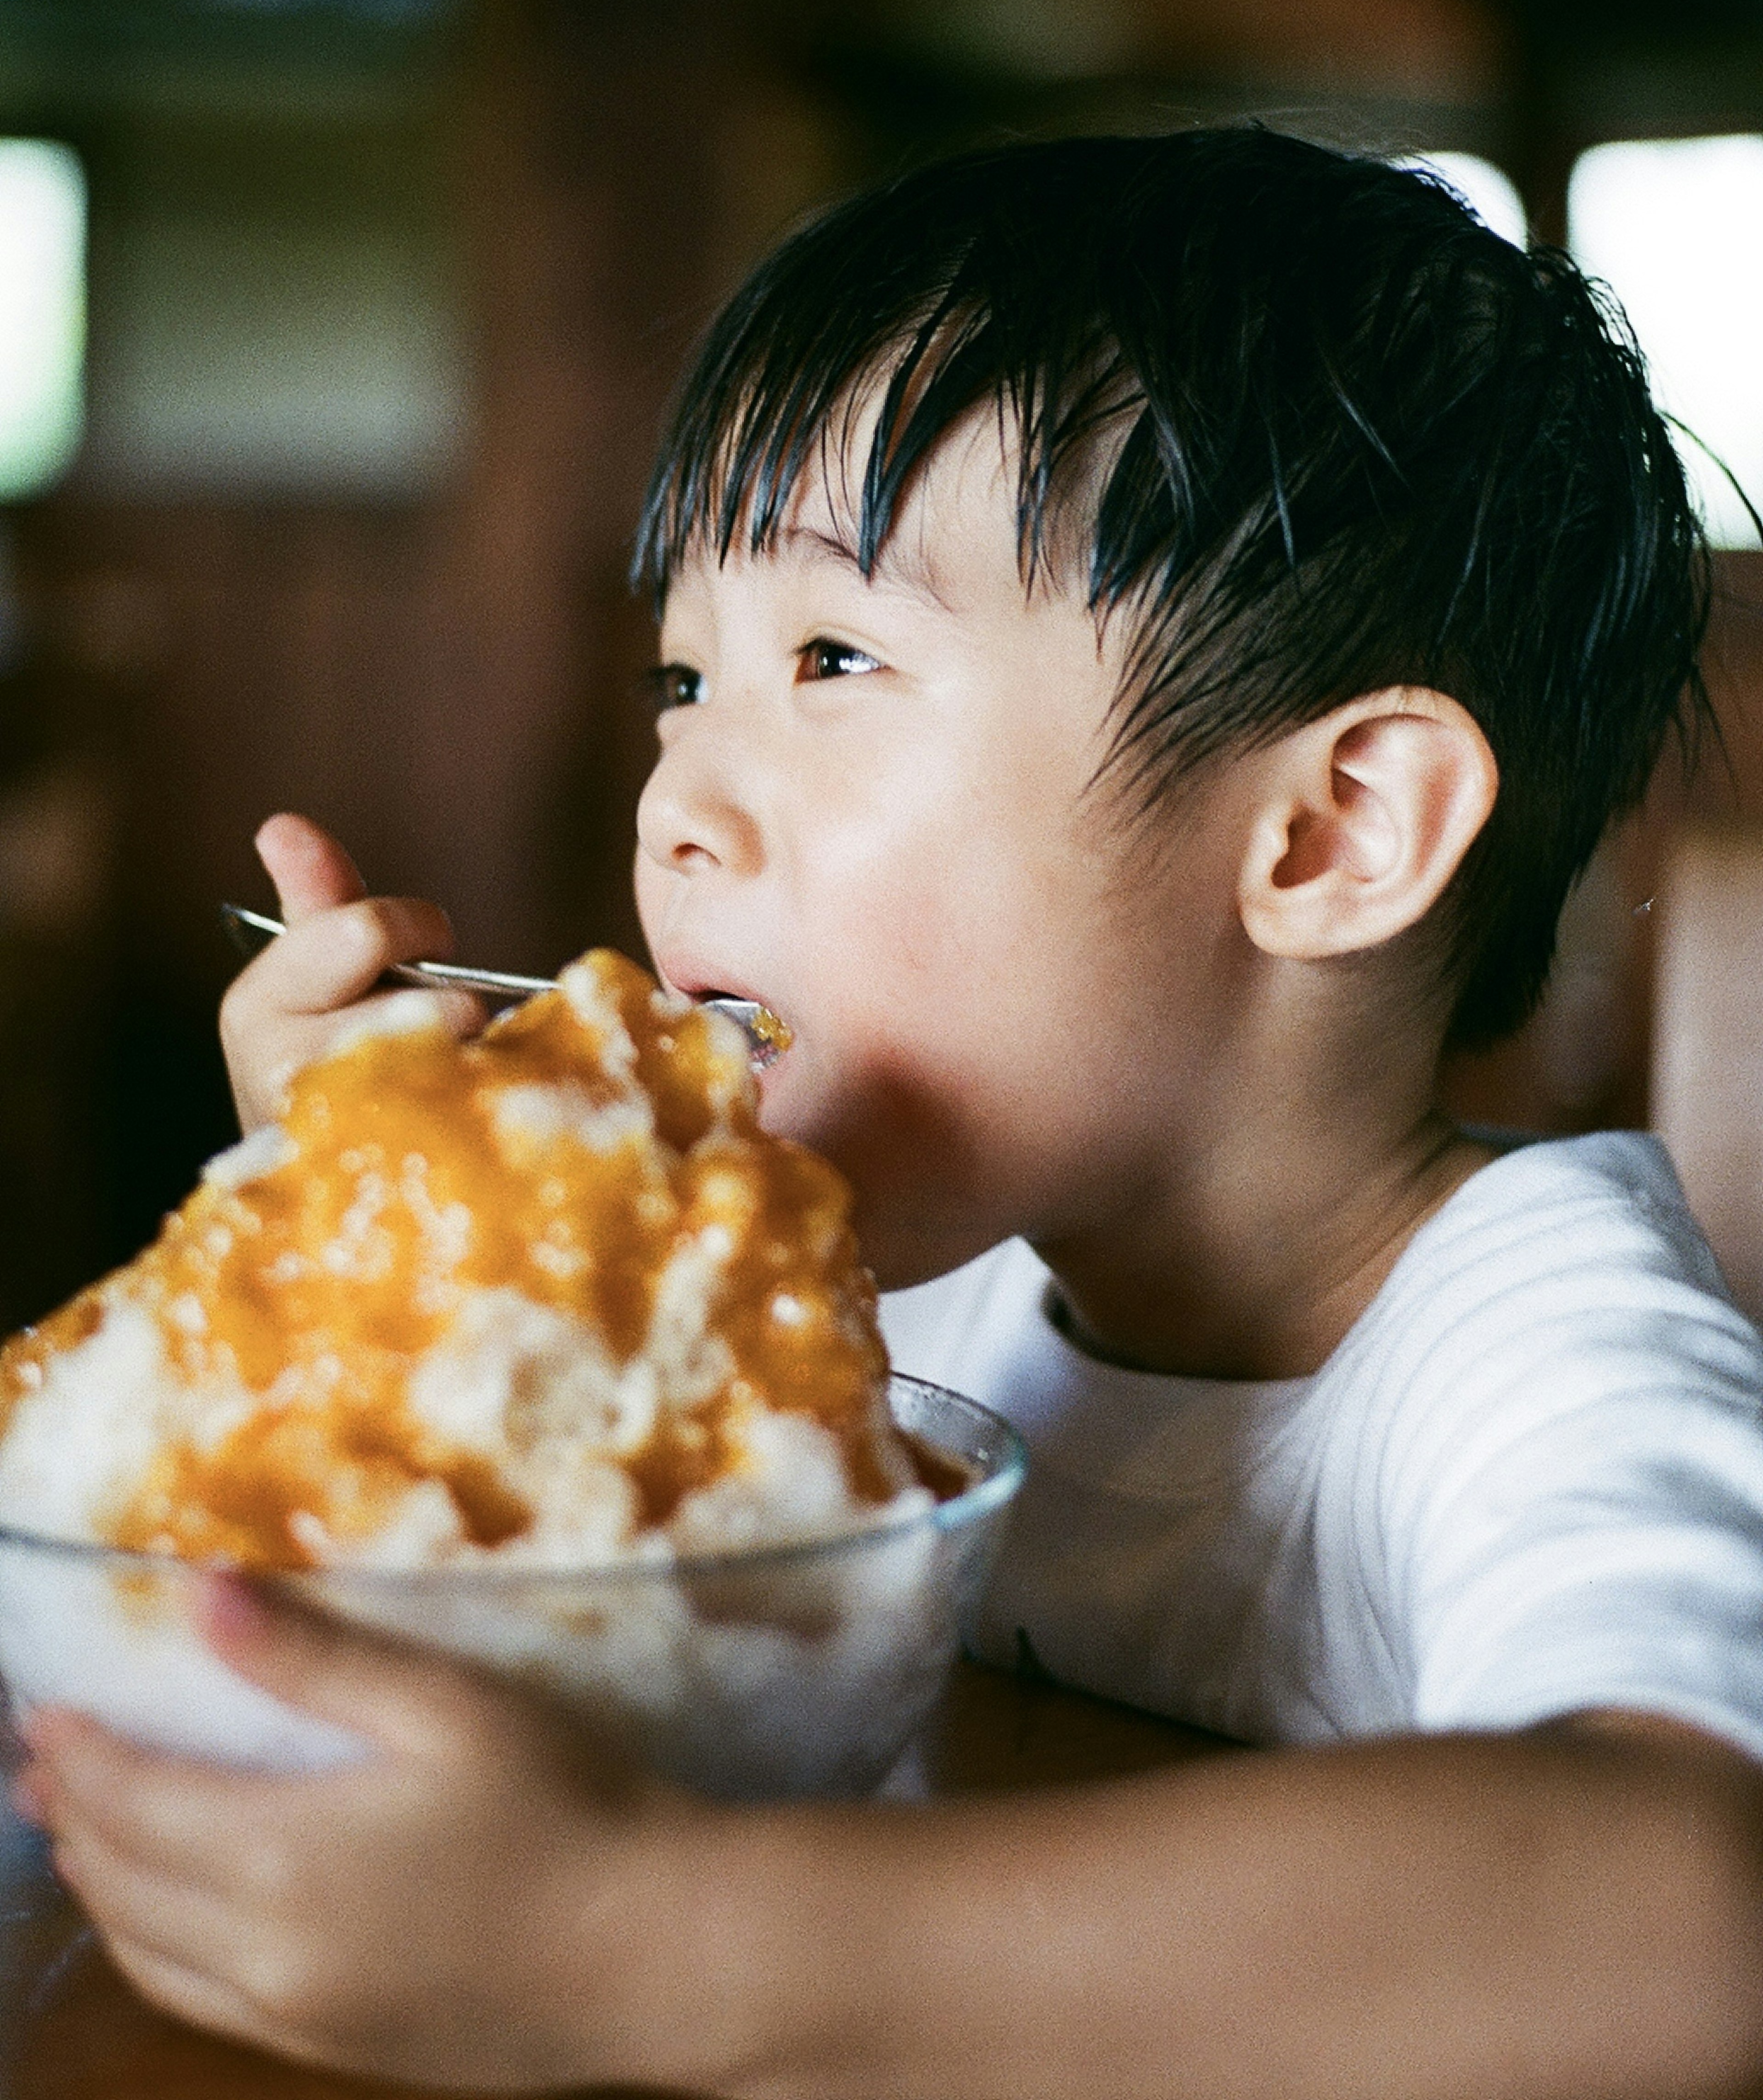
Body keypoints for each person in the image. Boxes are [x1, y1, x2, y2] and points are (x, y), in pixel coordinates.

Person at [20, 129, 1763, 2098]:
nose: (676, 804)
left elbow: (1694, 1918)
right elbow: (488, 1666)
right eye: (686, 678)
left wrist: (648, 1943)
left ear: (1330, 833)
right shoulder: (882, 1307)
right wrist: (389, 1237)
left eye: (834, 659)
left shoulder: (1535, 1348)